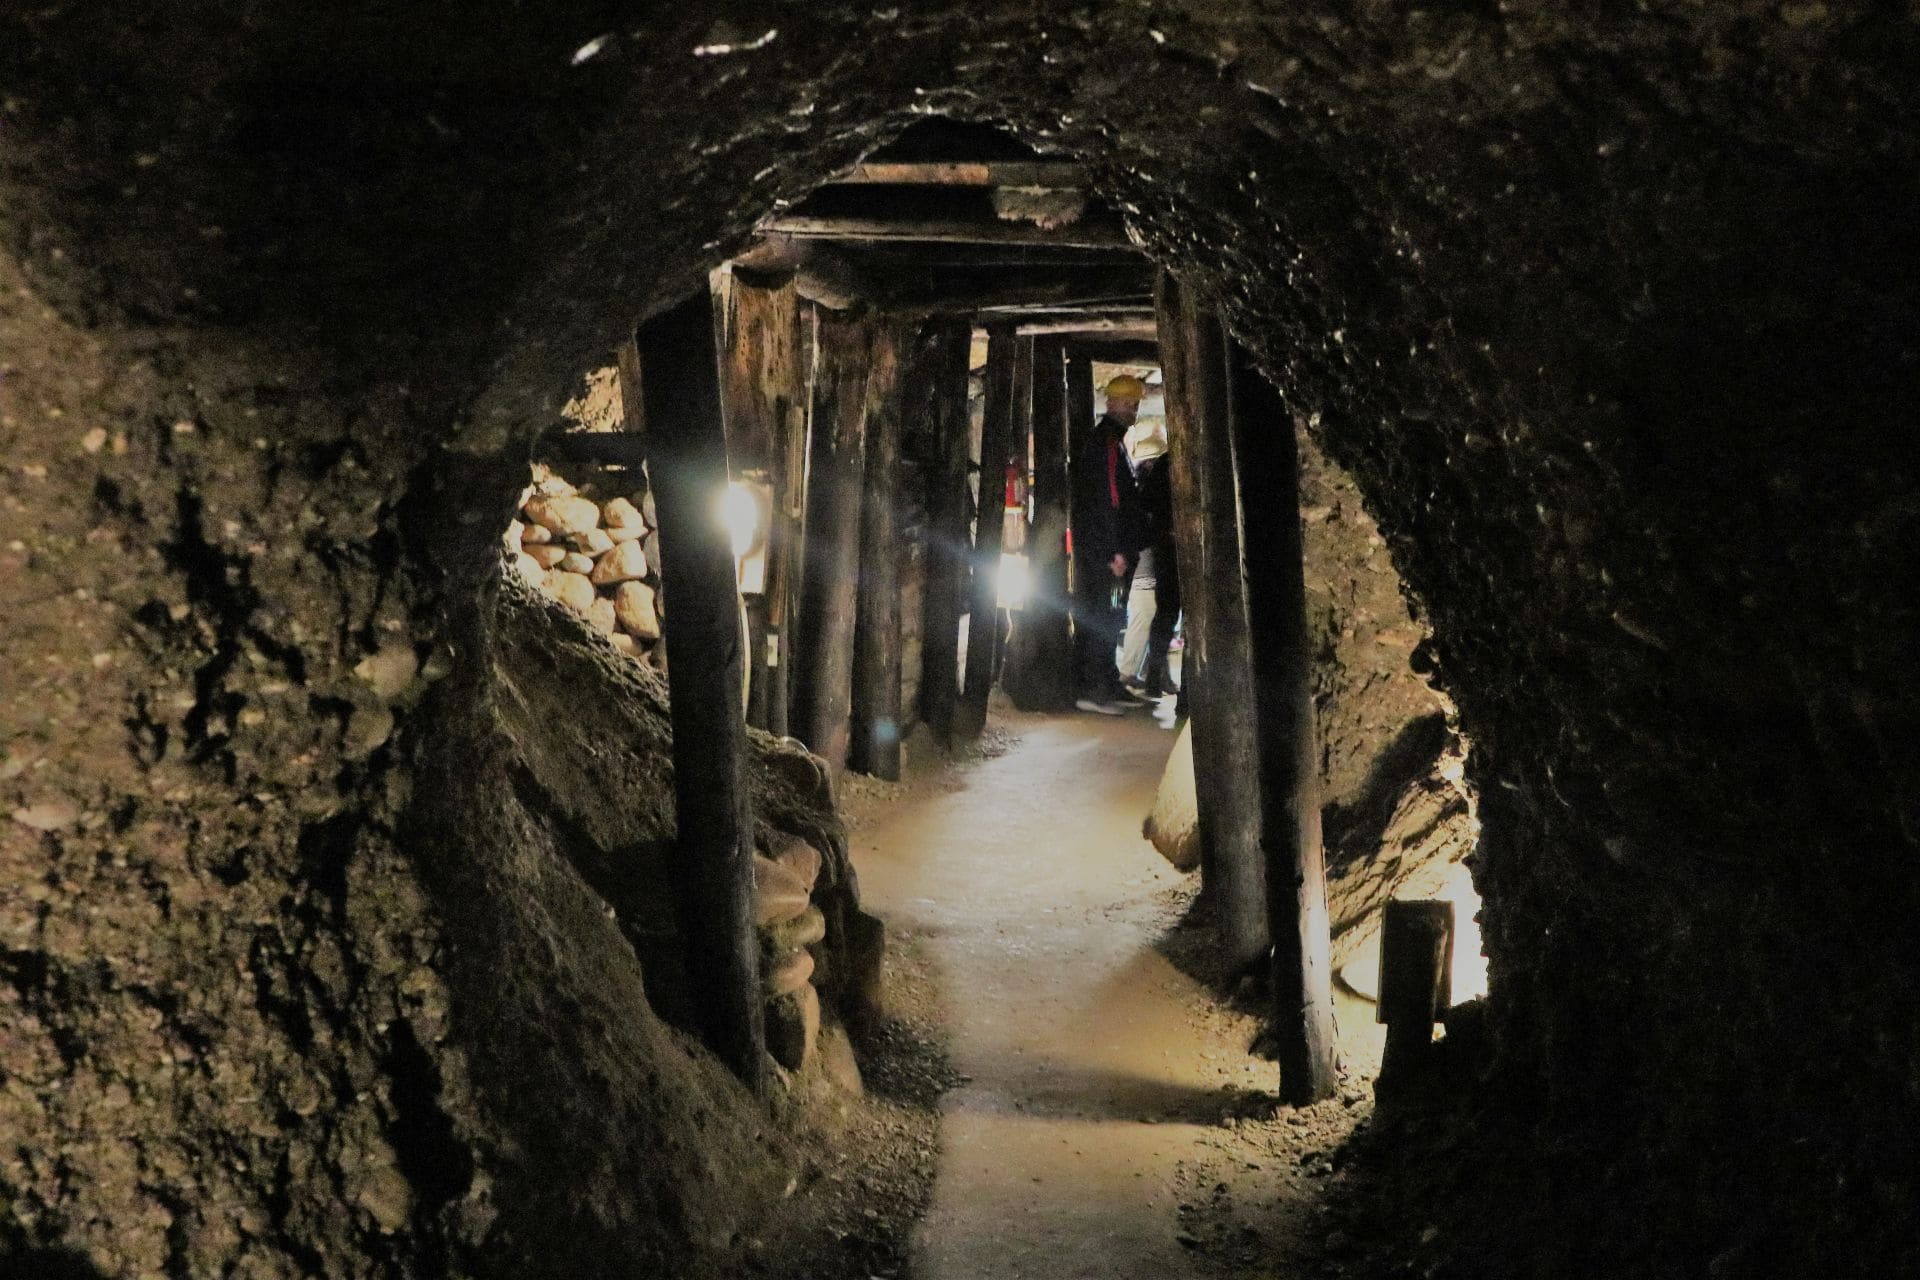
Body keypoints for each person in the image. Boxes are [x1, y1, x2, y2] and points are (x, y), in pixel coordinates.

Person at [1069, 373, 1147, 714]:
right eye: (1126, 403)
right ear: (1110, 403)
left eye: (1135, 403)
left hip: (1109, 554)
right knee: (1104, 615)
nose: (1132, 409)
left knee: (1112, 615)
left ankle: (1107, 681)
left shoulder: (1113, 443)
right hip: (1108, 558)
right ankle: (1094, 689)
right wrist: (1114, 552)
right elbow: (1106, 501)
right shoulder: (1106, 445)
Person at [1123, 426, 1181, 699]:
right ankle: (1150, 674)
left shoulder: (1146, 478)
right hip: (1161, 553)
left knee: (1160, 616)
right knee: (1156, 615)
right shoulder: (1162, 471)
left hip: (1158, 552)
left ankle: (1157, 676)